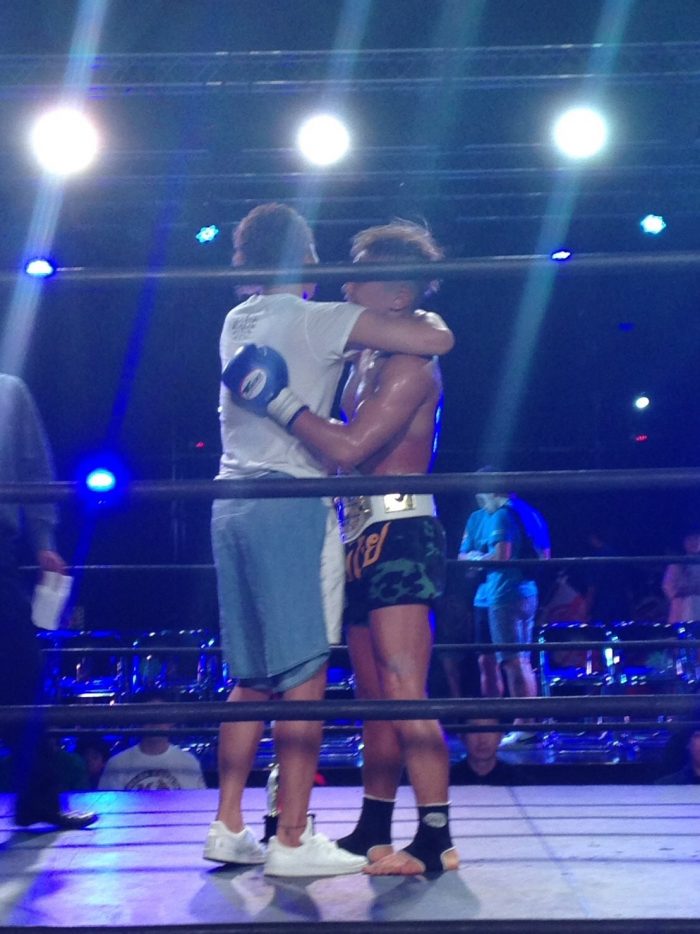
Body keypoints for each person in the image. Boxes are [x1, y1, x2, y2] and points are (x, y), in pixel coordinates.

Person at [206, 204, 454, 877]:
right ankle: (373, 824)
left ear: (396, 296)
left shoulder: (406, 362)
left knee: (400, 685)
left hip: (399, 525)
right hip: (353, 525)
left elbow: (350, 445)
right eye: (339, 269)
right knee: (373, 692)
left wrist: (282, 402)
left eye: (360, 275)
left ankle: (435, 835)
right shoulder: (358, 352)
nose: (344, 282)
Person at [0, 372, 97, 829]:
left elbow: (34, 467)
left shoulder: (9, 392)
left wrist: (43, 540)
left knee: (22, 670)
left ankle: (38, 798)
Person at [459, 478, 551, 746]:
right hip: (494, 594)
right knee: (490, 660)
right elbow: (463, 555)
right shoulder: (527, 512)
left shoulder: (504, 513)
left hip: (506, 593)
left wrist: (477, 559)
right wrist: (475, 559)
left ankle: (525, 725)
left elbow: (502, 555)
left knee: (514, 660)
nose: (478, 498)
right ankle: (497, 724)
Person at [98, 690, 206, 790]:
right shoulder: (117, 765)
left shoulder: (189, 763)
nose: (155, 721)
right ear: (137, 719)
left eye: (160, 715)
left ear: (172, 720)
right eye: (149, 715)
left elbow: (199, 802)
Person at [453, 719, 525, 785]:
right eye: (474, 730)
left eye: (490, 729)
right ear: (461, 735)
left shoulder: (519, 781)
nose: (483, 740)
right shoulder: (448, 780)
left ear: (501, 734)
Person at [662, 529, 700, 624]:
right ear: (684, 542)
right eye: (689, 539)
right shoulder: (677, 563)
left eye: (696, 538)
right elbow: (667, 585)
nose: (693, 543)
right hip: (682, 605)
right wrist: (681, 593)